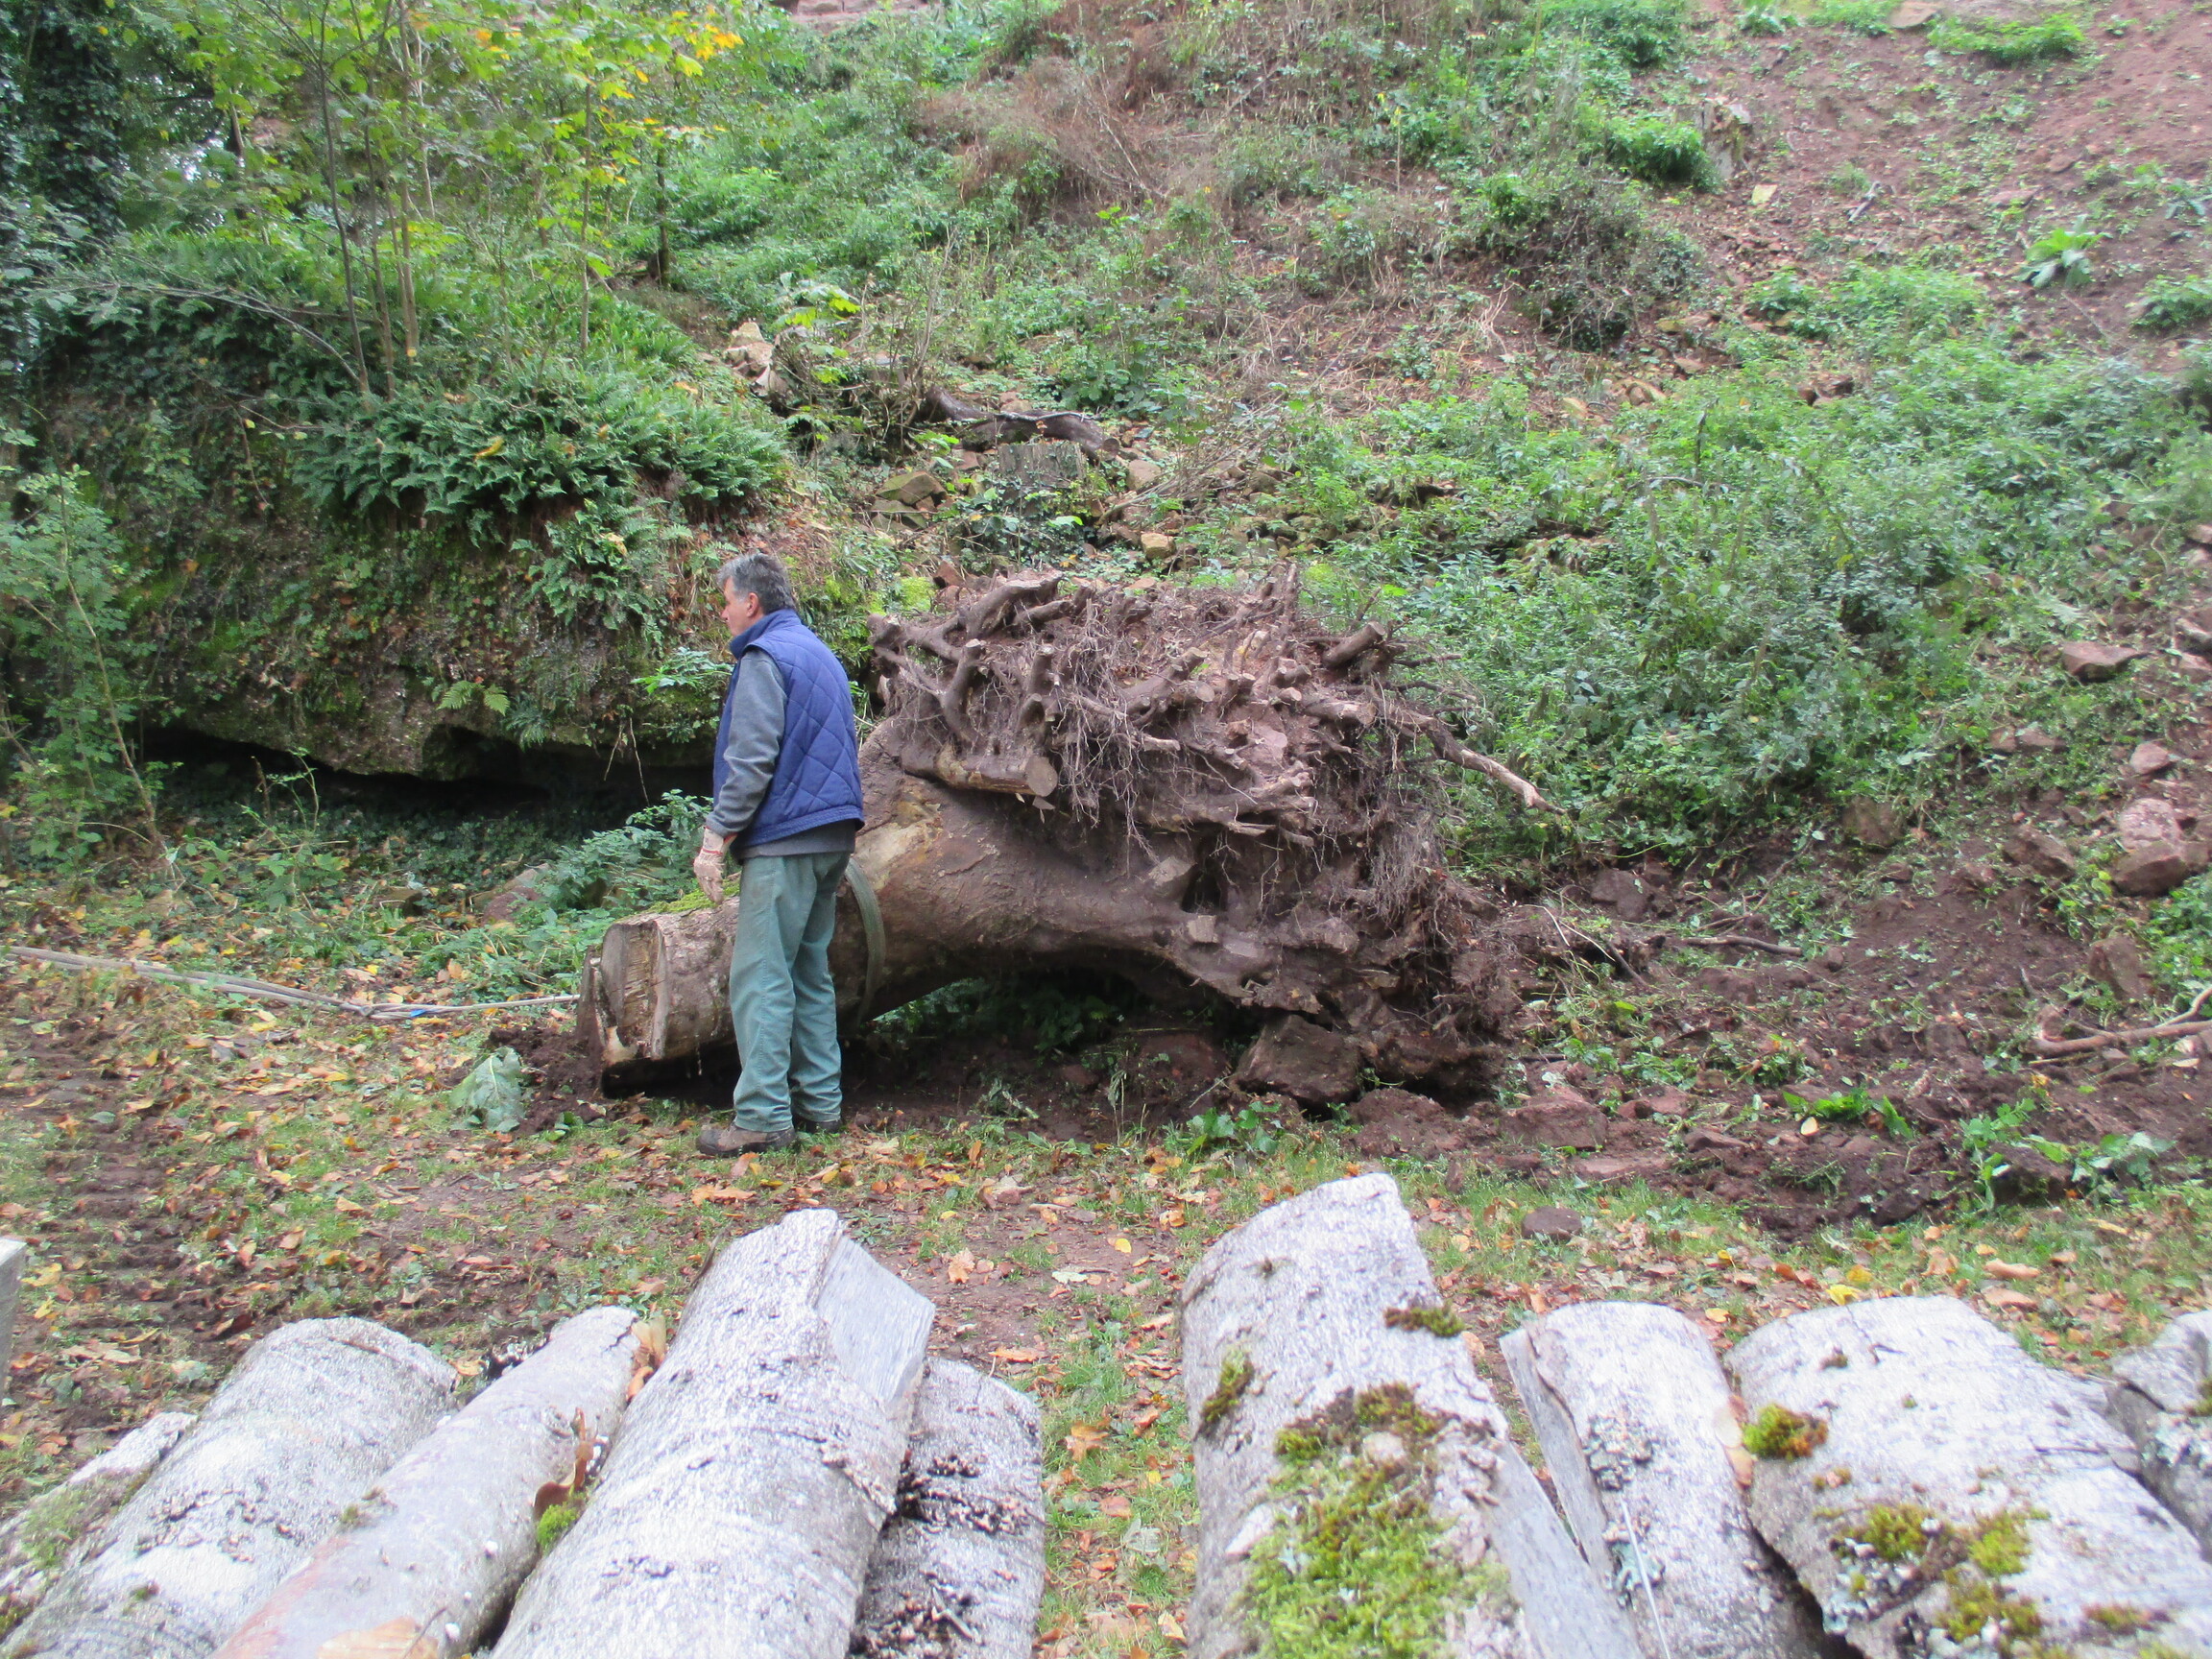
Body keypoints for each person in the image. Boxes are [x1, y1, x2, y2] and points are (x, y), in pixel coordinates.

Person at [689, 550, 865, 1155]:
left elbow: (752, 760)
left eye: (726, 601)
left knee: (761, 976)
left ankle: (763, 1116)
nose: (723, 613)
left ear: (751, 602)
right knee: (808, 971)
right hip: (832, 836)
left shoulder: (764, 657)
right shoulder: (819, 653)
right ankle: (821, 1104)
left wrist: (716, 837)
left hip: (785, 838)